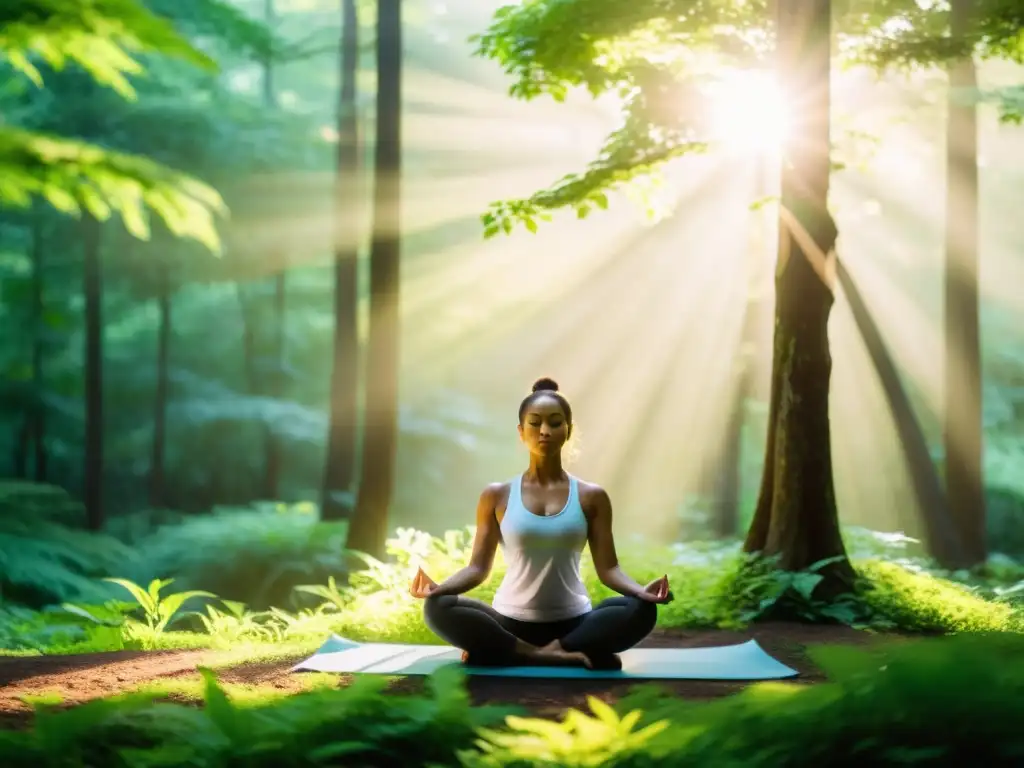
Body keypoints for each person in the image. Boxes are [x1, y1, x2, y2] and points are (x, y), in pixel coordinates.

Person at [409, 377, 673, 671]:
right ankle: (545, 653)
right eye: (535, 423)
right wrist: (439, 588)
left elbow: (609, 570)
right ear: (521, 432)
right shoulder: (497, 495)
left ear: (568, 431)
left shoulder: (592, 497)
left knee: (640, 610)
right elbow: (477, 568)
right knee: (438, 607)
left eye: (555, 423)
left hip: (574, 623)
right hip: (510, 622)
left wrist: (641, 592)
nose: (545, 431)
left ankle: (521, 652)